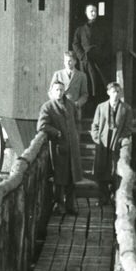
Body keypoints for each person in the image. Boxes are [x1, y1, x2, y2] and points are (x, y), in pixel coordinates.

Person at [37, 80, 83, 214]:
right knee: (59, 178)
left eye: (61, 90)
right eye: (56, 90)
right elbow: (41, 126)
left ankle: (71, 206)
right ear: (51, 92)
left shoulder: (70, 105)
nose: (59, 92)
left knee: (72, 177)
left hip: (72, 148)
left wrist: (76, 135)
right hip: (59, 148)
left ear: (64, 91)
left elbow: (77, 121)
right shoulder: (48, 107)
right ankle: (59, 205)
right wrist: (55, 132)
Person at [90, 81, 132, 206]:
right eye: (113, 91)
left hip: (116, 142)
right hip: (103, 143)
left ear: (121, 93)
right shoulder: (101, 107)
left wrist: (121, 139)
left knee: (115, 171)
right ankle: (103, 197)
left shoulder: (126, 108)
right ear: (108, 93)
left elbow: (128, 128)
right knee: (101, 170)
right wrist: (97, 138)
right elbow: (95, 125)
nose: (115, 94)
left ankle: (115, 198)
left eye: (118, 92)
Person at [71, 4, 110, 110]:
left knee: (99, 84)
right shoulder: (80, 30)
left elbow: (107, 44)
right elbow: (75, 44)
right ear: (86, 13)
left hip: (98, 62)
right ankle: (87, 108)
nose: (93, 13)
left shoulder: (102, 29)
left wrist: (102, 55)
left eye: (95, 11)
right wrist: (82, 56)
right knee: (86, 84)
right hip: (86, 62)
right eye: (91, 11)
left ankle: (98, 108)